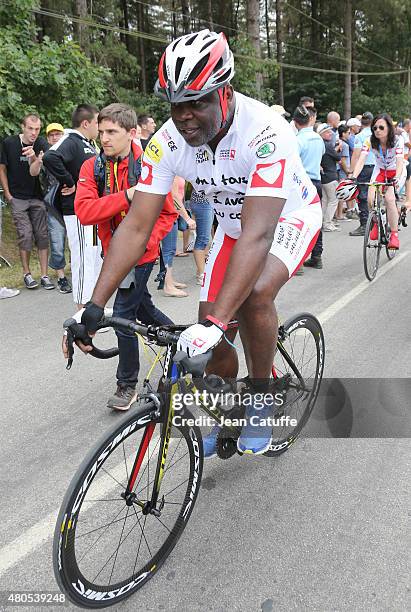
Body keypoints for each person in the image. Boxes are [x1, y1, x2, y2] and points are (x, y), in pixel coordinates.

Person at [75, 29, 322, 456]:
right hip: (232, 229)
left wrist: (213, 324)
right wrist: (95, 305)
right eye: (176, 104)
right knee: (210, 328)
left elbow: (259, 234)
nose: (185, 116)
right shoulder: (167, 141)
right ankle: (227, 409)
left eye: (198, 102)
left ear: (225, 93)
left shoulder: (266, 130)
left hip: (286, 217)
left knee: (255, 293)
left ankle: (261, 396)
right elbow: (135, 227)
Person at [73, 103, 177, 409]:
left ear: (131, 133)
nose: (104, 138)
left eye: (112, 132)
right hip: (112, 254)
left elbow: (167, 214)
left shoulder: (148, 165)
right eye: (101, 131)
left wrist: (144, 245)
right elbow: (84, 212)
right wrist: (127, 196)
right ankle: (184, 345)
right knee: (144, 311)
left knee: (122, 317)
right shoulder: (91, 167)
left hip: (141, 256)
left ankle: (126, 384)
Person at [43, 104, 100, 307]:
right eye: (96, 122)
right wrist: (69, 182)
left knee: (93, 254)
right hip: (77, 211)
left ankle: (94, 305)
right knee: (83, 257)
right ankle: (83, 310)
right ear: (86, 123)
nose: (99, 127)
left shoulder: (88, 143)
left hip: (92, 212)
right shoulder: (70, 140)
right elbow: (50, 157)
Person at [0, 113, 55, 290]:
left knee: (42, 235)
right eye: (30, 128)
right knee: (25, 234)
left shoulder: (40, 144)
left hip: (37, 197)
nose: (34, 132)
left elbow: (37, 170)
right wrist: (8, 194)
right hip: (17, 197)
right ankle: (27, 274)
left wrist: (35, 157)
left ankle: (45, 275)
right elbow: (2, 169)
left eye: (37, 129)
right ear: (23, 127)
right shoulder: (9, 143)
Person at [348, 113, 405, 249]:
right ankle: (375, 222)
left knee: (389, 199)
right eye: (375, 128)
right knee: (370, 198)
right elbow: (362, 159)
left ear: (389, 128)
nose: (377, 130)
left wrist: (396, 177)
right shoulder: (369, 140)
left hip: (396, 171)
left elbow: (399, 161)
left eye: (381, 127)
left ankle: (394, 235)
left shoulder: (398, 140)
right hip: (380, 171)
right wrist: (353, 176)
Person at [29, 122, 72, 294]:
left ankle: (78, 273)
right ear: (48, 138)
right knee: (57, 240)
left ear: (63, 135)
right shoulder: (45, 156)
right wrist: (38, 160)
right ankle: (61, 276)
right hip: (53, 206)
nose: (55, 137)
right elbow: (33, 172)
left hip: (73, 205)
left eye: (58, 134)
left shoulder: (70, 153)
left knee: (76, 243)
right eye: (51, 135)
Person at [294, 106, 325, 269]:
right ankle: (317, 255)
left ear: (295, 122)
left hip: (301, 183)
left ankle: (298, 261)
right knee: (315, 219)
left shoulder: (297, 140)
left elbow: (294, 162)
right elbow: (322, 155)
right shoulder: (318, 138)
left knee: (299, 221)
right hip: (316, 182)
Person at [349, 111, 375, 237]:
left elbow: (356, 155)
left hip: (364, 168)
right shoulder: (377, 134)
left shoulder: (359, 136)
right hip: (377, 168)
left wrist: (351, 171)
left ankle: (365, 224)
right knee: (377, 194)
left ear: (361, 123)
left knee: (362, 196)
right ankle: (380, 221)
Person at [318, 123, 342, 231]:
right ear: (321, 134)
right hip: (331, 175)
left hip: (323, 176)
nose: (330, 134)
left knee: (325, 200)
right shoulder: (327, 145)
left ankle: (322, 222)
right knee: (333, 200)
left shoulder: (319, 144)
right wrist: (337, 148)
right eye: (327, 132)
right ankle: (327, 223)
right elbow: (337, 157)